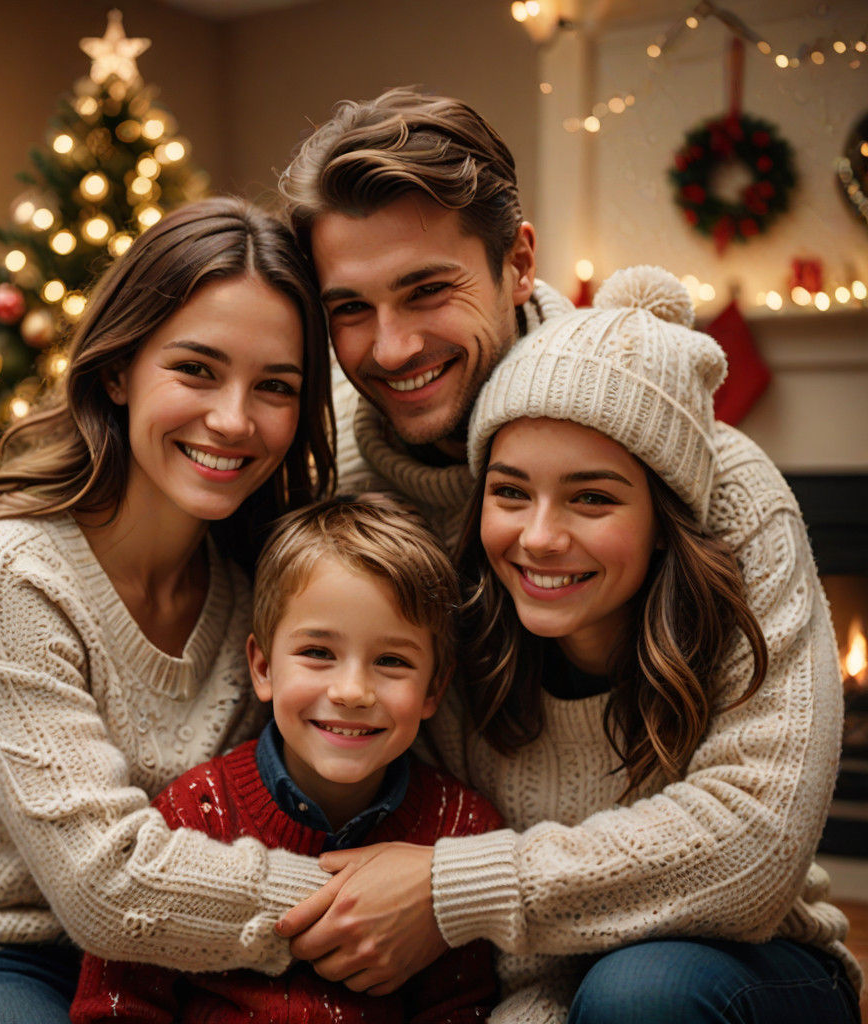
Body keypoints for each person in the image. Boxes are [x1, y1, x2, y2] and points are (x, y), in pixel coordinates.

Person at [272, 89, 861, 1018]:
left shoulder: (717, 482)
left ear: (518, 262)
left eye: (428, 289)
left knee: (642, 995)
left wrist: (446, 889)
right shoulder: (332, 492)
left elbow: (755, 843)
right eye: (351, 307)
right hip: (489, 977)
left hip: (716, 963)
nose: (392, 347)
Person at [0, 197, 337, 1024]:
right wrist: (365, 901)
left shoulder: (268, 582)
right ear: (118, 368)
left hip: (211, 974)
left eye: (274, 386)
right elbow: (105, 888)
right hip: (17, 959)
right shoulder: (13, 572)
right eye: (197, 369)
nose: (234, 420)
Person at [449, 265, 858, 1021]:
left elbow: (752, 858)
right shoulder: (464, 638)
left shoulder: (727, 608)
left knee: (642, 992)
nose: (539, 538)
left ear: (663, 523)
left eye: (592, 498)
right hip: (564, 990)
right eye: (510, 492)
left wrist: (456, 889)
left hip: (746, 970)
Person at [69, 494, 502, 1023]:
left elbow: (464, 1008)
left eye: (391, 661)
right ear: (263, 668)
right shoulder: (194, 816)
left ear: (434, 688)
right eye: (318, 653)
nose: (352, 691)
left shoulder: (461, 834)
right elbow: (118, 1003)